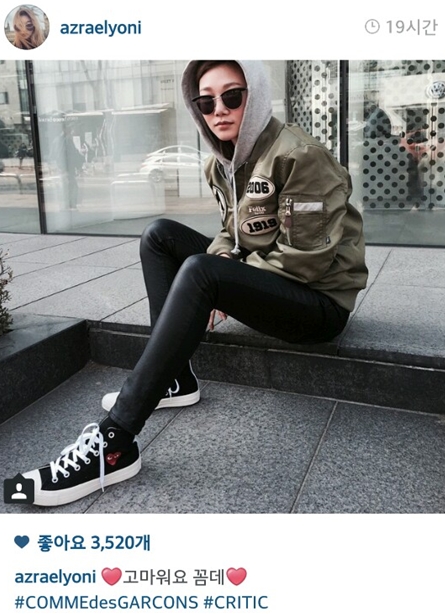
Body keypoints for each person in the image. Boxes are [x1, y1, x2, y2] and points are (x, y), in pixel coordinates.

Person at [19, 61, 368, 507]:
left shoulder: (299, 157)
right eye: (206, 102)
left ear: (256, 96)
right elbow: (231, 232)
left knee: (202, 272)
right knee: (159, 235)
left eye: (232, 96)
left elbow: (307, 261)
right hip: (275, 277)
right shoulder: (222, 163)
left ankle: (114, 443)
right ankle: (175, 378)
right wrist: (225, 261)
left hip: (318, 304)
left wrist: (227, 279)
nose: (218, 110)